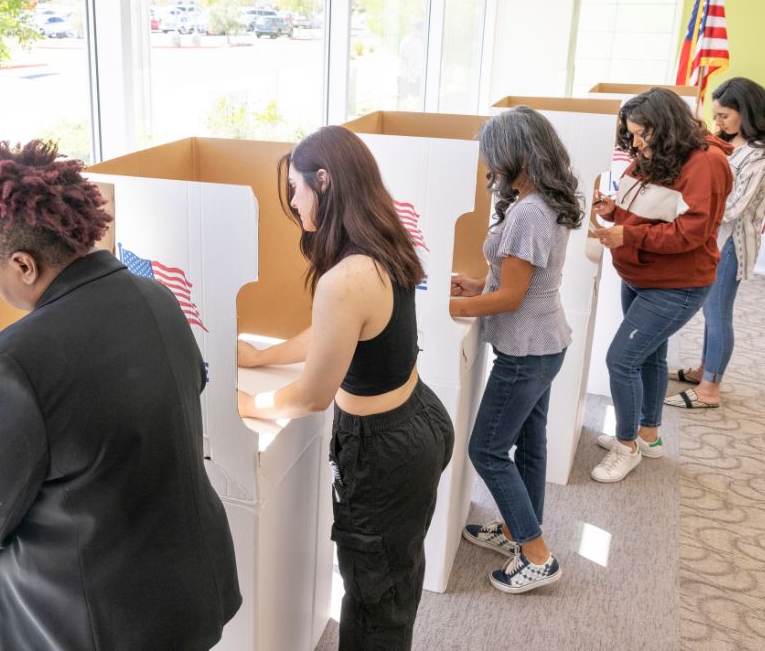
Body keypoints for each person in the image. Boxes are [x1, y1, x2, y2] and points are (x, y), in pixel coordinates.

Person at [0, 140, 241, 651]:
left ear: (23, 265)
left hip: (100, 626)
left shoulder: (9, 365)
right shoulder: (156, 296)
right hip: (189, 590)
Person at [236, 125, 454, 650]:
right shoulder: (382, 240)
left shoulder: (345, 277)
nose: (293, 202)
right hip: (419, 418)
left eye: (296, 188)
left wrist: (250, 404)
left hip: (382, 448)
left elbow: (312, 395)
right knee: (394, 576)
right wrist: (264, 357)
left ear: (324, 181)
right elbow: (336, 332)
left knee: (372, 600)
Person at [450, 106, 583, 594]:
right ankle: (515, 531)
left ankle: (537, 554)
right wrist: (474, 285)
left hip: (526, 351)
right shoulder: (542, 199)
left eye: (492, 156)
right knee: (529, 441)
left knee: (486, 449)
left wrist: (451, 307)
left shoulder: (528, 211)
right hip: (544, 342)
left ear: (516, 154)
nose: (489, 166)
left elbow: (511, 297)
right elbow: (520, 278)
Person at [592, 88, 732, 483]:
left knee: (621, 361)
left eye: (642, 134)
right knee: (650, 356)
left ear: (666, 126)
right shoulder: (658, 152)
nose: (636, 143)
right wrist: (613, 210)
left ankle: (627, 446)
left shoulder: (707, 163)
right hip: (642, 275)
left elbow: (691, 233)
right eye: (632, 134)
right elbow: (644, 205)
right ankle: (648, 436)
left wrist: (629, 235)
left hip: (675, 284)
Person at [667, 77, 765, 409]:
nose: (718, 122)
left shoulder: (758, 156)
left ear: (746, 112)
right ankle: (704, 370)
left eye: (724, 115)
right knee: (710, 311)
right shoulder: (729, 144)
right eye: (716, 115)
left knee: (718, 312)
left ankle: (710, 388)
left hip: (732, 243)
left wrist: (693, 204)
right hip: (716, 238)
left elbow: (735, 207)